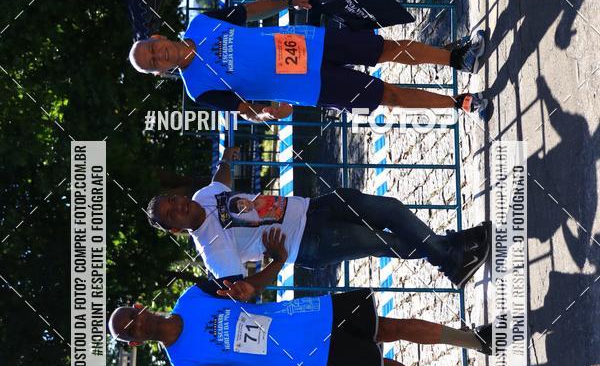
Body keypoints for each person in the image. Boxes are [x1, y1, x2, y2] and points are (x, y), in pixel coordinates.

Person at [108, 283, 519, 366]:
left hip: (311, 313)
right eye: (132, 331)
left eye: (134, 315)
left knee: (392, 326)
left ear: (141, 306)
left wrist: (270, 264)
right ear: (136, 344)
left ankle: (476, 340)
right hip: (314, 357)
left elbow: (246, 288)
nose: (139, 324)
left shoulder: (193, 295)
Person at [145, 146, 492, 289]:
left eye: (173, 200)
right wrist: (278, 262)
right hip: (309, 244)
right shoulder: (211, 250)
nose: (178, 206)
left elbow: (220, 183)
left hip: (313, 207)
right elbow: (243, 291)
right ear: (175, 229)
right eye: (172, 214)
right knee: (386, 242)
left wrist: (226, 159)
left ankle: (451, 254)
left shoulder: (201, 197)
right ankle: (451, 255)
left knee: (389, 208)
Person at [129, 0, 492, 119]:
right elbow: (243, 108)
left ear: (157, 37)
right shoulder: (198, 90)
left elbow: (248, 12)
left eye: (153, 49)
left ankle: (457, 58)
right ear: (160, 72)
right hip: (312, 87)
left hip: (308, 43)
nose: (159, 55)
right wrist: (268, 111)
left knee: (387, 49)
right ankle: (459, 103)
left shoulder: (201, 22)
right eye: (153, 62)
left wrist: (288, 3)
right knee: (387, 95)